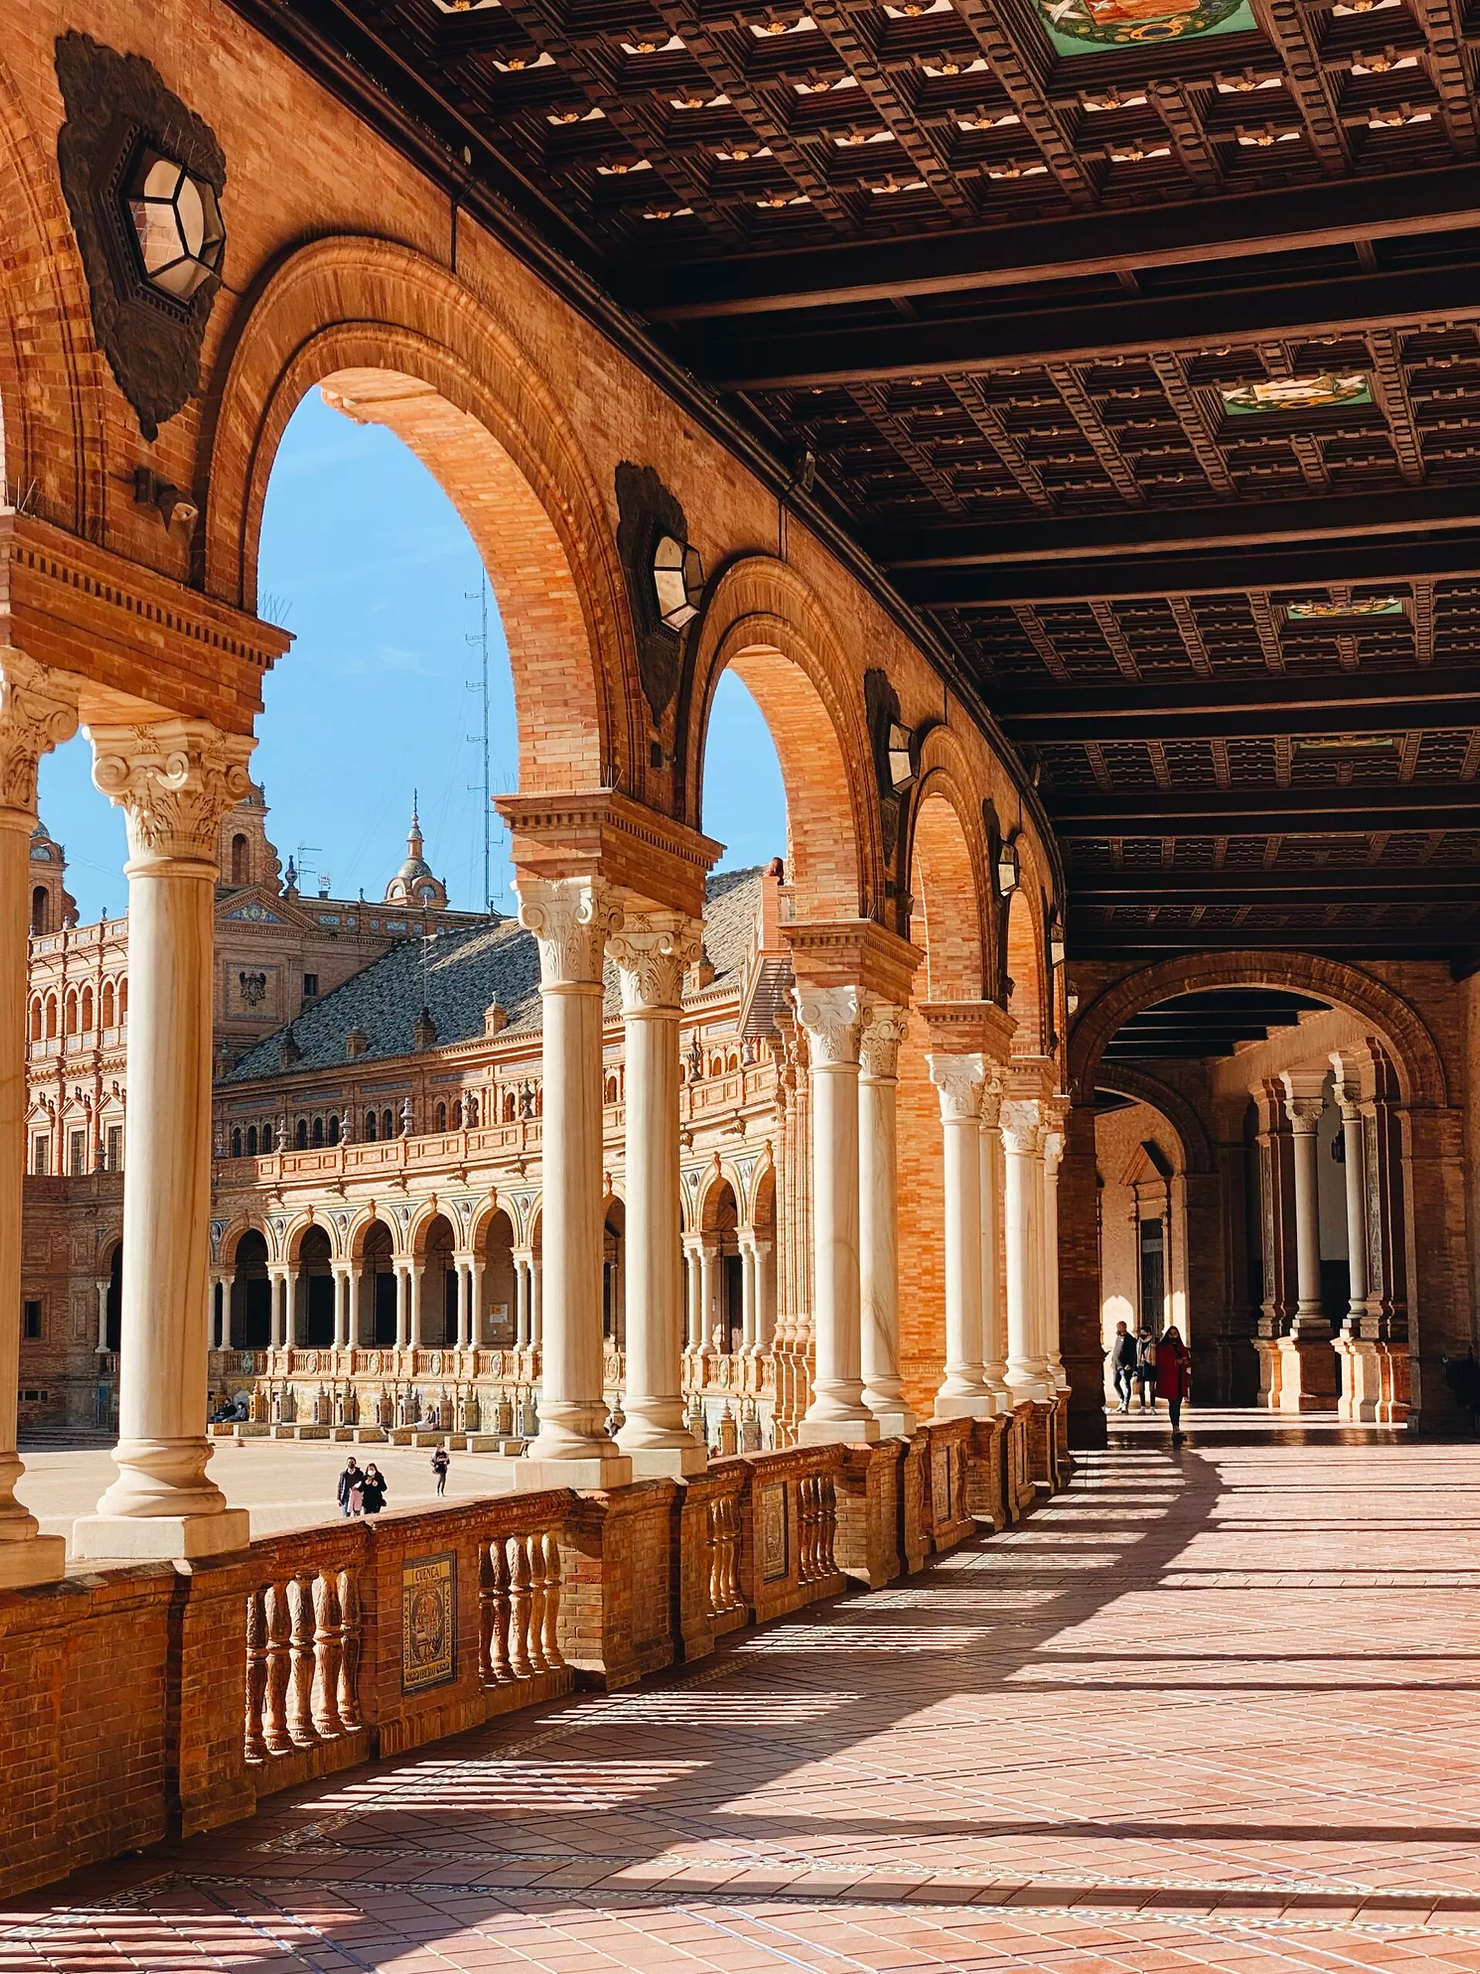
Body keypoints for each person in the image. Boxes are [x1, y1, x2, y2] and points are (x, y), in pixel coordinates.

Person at [1156, 1325, 1193, 1441]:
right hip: (1169, 1380)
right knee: (1173, 1404)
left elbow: (1188, 1360)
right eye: (1171, 1333)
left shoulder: (1181, 1347)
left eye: (1175, 1333)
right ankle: (1175, 1428)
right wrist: (1175, 1362)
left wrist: (1185, 1361)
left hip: (1180, 1380)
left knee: (1177, 1403)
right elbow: (1161, 1361)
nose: (1173, 1335)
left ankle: (1176, 1427)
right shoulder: (1162, 1347)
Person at [1111, 1321, 1137, 1413]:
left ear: (1123, 1327)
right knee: (1115, 1383)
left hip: (1125, 1366)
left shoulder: (1130, 1339)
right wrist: (1112, 1360)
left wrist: (1130, 1364)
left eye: (1118, 1327)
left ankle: (1125, 1403)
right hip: (1116, 1365)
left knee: (1126, 1384)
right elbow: (1115, 1350)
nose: (1117, 1328)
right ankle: (1121, 1399)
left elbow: (1133, 1354)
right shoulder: (1118, 1337)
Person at [1135, 1326, 1158, 1412]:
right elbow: (1136, 1355)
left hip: (1152, 1365)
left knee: (1152, 1388)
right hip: (1141, 1366)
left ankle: (1152, 1407)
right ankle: (1142, 1407)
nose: (1142, 1334)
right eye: (1141, 1332)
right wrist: (1135, 1369)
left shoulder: (1155, 1340)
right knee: (1141, 1388)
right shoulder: (1139, 1342)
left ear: (1148, 1333)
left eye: (1143, 1332)